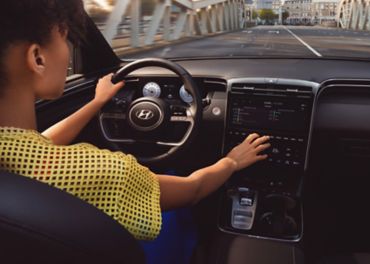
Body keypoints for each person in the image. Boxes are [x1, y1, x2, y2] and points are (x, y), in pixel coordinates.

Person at [0, 0, 270, 240]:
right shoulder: (107, 172)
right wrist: (232, 161)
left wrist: (97, 102)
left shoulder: (17, 153)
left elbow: (41, 143)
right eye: (66, 39)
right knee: (183, 210)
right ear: (37, 58)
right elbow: (195, 189)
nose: (69, 51)